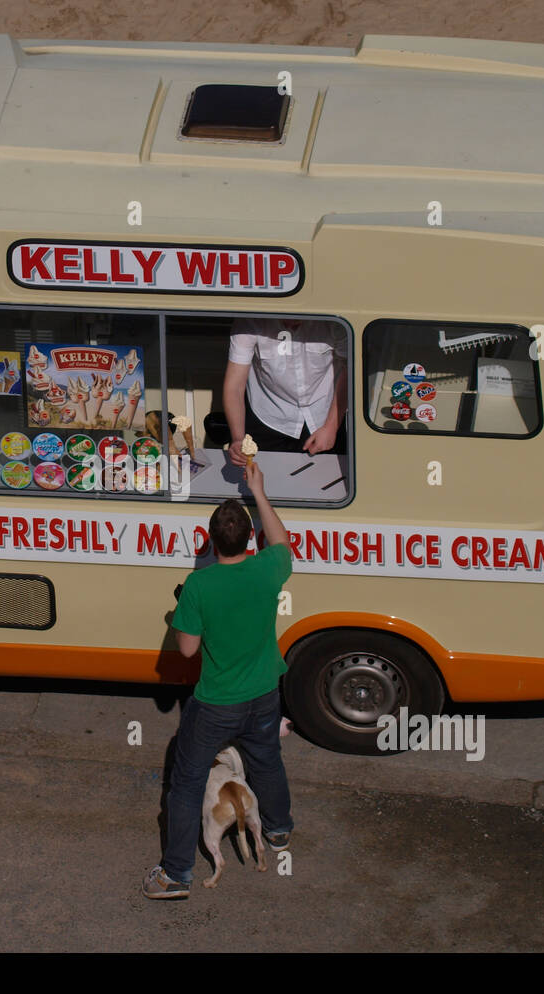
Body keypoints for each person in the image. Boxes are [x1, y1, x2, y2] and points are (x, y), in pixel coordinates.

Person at [143, 461, 295, 899]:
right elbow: (282, 540)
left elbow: (188, 650)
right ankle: (280, 831)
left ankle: (175, 875)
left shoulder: (199, 586)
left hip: (215, 704)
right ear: (250, 539)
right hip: (265, 693)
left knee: (187, 783)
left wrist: (180, 618)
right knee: (267, 763)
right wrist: (259, 492)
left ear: (210, 541)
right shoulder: (269, 567)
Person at [223, 316, 349, 466]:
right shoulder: (249, 322)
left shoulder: (335, 321)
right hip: (268, 417)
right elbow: (234, 386)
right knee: (262, 481)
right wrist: (238, 439)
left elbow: (351, 370)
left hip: (324, 415)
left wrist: (331, 427)